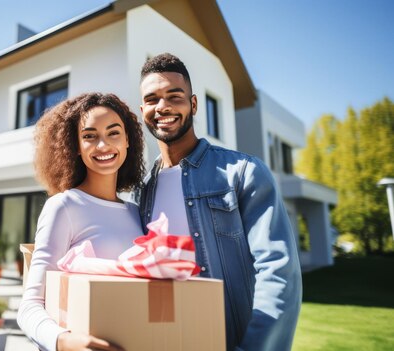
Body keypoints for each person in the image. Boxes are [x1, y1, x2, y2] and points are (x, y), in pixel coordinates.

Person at [135, 53, 302, 351]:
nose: (163, 106)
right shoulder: (144, 190)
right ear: (143, 110)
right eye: (152, 99)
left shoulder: (243, 173)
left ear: (194, 104)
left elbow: (278, 271)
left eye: (175, 96)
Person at [17, 93, 146, 351]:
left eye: (113, 133)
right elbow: (29, 307)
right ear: (75, 145)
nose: (103, 145)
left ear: (128, 139)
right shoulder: (64, 207)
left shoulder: (137, 212)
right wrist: (64, 341)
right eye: (89, 136)